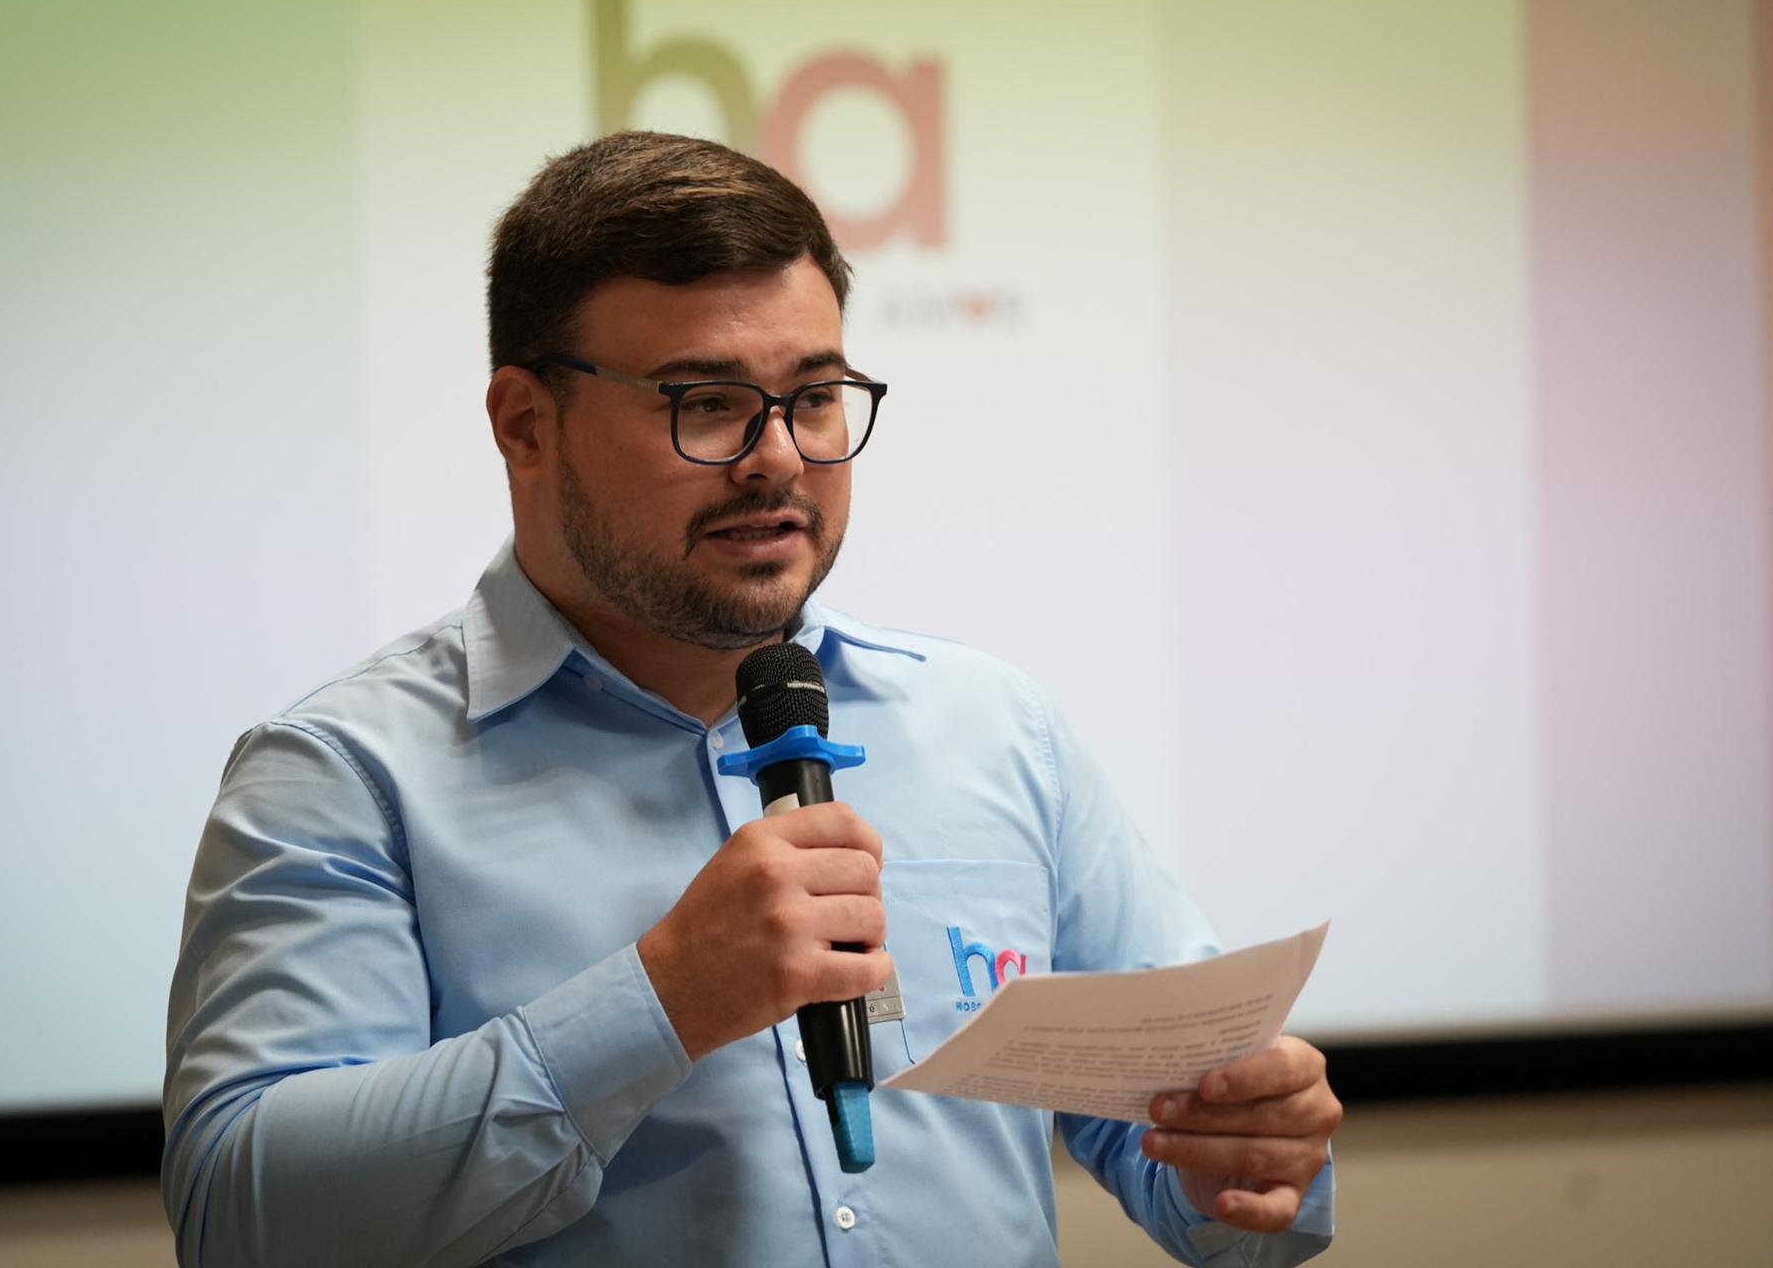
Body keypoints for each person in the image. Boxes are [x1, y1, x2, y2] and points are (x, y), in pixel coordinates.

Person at [162, 130, 1339, 1268]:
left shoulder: (995, 727)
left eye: (815, 395)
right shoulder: (344, 775)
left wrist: (1246, 1160)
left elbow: (1205, 1151)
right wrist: (662, 998)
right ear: (526, 424)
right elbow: (244, 1219)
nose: (778, 456)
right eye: (705, 400)